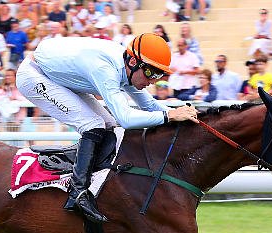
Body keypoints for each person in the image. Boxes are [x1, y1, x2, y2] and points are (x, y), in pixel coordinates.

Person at [16, 33, 199, 222]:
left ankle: (98, 185)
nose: (153, 80)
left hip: (59, 75)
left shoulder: (128, 67)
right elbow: (126, 119)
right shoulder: (106, 69)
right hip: (34, 76)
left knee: (110, 126)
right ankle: (77, 193)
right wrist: (169, 115)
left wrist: (182, 113)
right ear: (133, 62)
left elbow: (149, 105)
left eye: (159, 75)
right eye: (151, 73)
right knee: (93, 125)